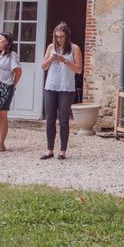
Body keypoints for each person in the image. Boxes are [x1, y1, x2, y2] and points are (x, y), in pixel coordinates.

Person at [40, 22, 82, 160]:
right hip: (51, 86)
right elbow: (43, 67)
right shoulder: (51, 47)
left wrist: (65, 60)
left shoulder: (74, 48)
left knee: (63, 120)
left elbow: (79, 69)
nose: (59, 39)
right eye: (57, 37)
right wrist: (51, 59)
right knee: (50, 118)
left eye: (62, 37)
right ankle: (49, 149)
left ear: (67, 36)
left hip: (66, 87)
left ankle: (63, 150)